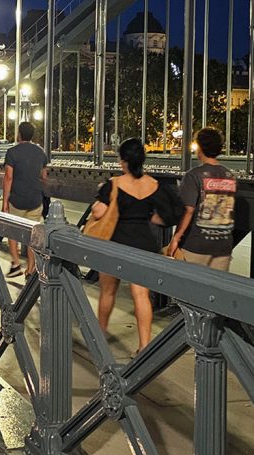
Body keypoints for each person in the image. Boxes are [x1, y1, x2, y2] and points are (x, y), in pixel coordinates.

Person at [90, 138, 177, 354]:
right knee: (141, 295)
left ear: (124, 161)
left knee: (108, 291)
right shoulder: (153, 184)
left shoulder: (115, 184)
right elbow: (165, 216)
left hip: (116, 244)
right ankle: (144, 345)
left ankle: (100, 335)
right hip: (144, 245)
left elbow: (99, 212)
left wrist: (99, 200)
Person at [167, 126, 236, 270]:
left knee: (187, 289)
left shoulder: (193, 176)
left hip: (196, 245)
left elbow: (189, 211)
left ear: (200, 147)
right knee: (214, 290)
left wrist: (176, 238)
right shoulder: (230, 176)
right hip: (223, 246)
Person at [2, 121, 48, 277]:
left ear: (19, 134)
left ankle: (15, 263)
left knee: (13, 231)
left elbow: (8, 177)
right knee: (32, 235)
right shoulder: (41, 152)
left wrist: (4, 202)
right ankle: (30, 268)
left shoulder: (12, 152)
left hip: (17, 200)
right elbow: (44, 176)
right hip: (35, 200)